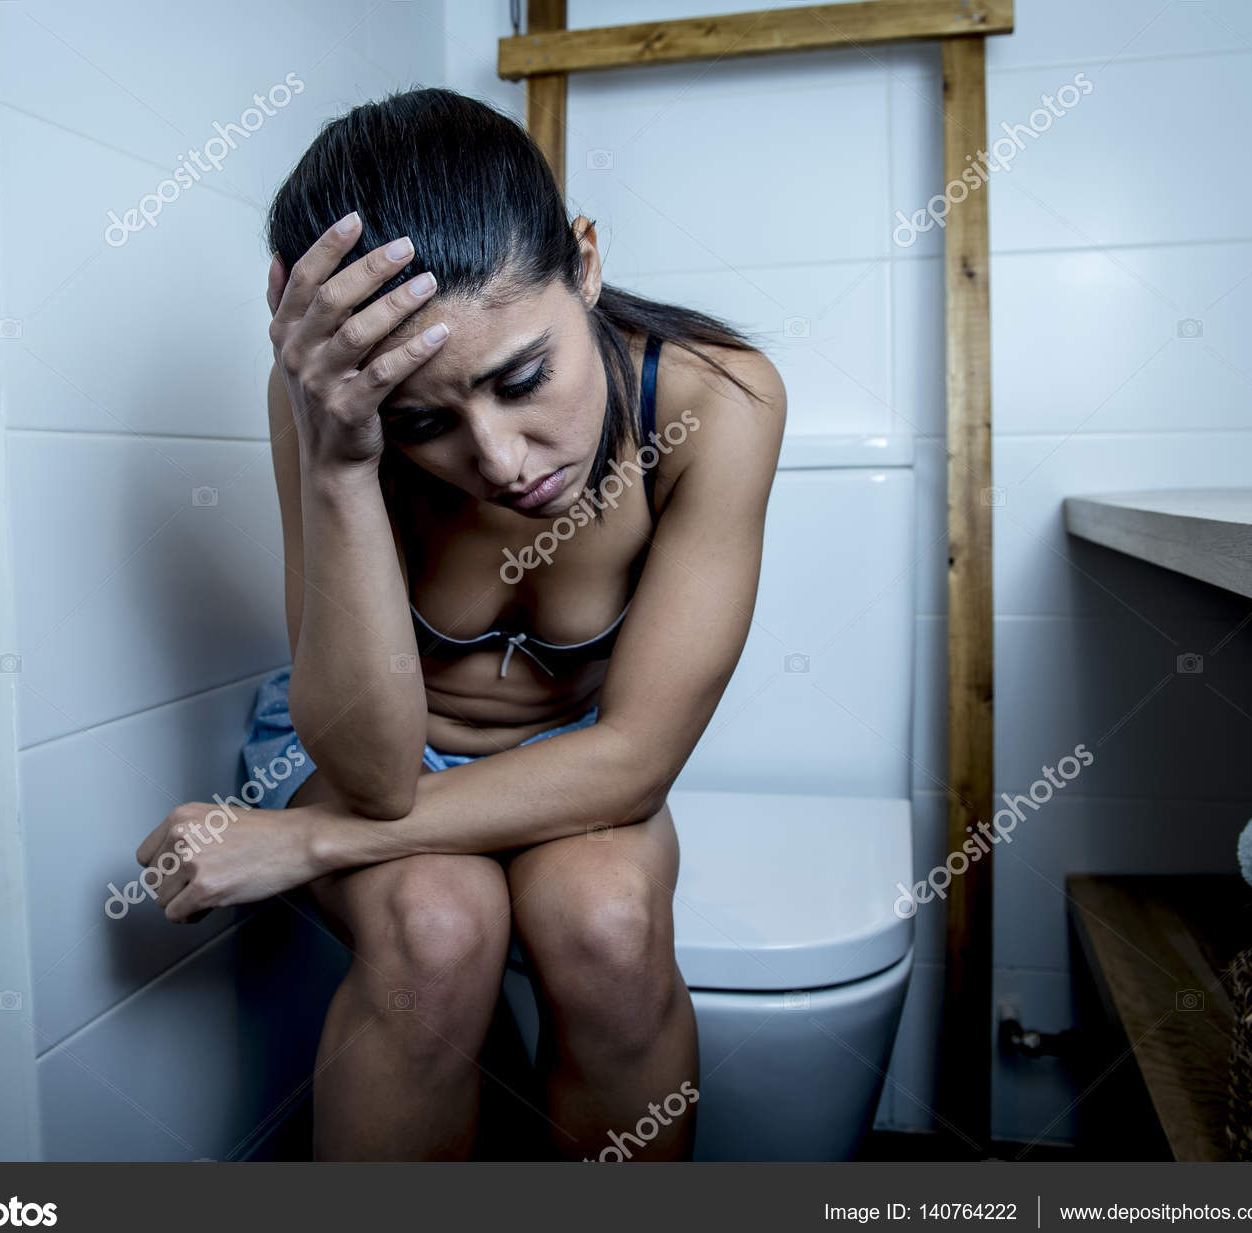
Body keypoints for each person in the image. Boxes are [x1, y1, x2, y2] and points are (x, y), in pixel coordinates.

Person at [135, 87, 786, 1160]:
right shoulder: (324, 406)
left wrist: (301, 840)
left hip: (580, 757)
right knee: (434, 933)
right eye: (425, 422)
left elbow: (631, 763)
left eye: (523, 377)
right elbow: (382, 775)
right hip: (363, 740)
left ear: (584, 260)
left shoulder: (714, 399)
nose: (499, 460)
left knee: (607, 929)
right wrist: (341, 460)